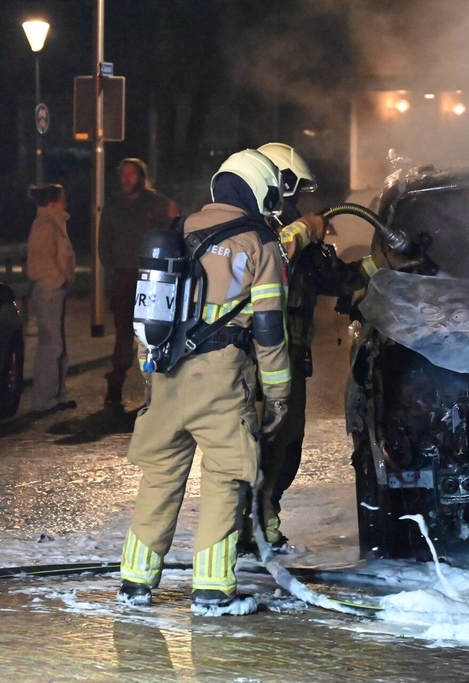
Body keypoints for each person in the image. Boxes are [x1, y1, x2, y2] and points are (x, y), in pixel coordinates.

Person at [117, 149, 291, 616]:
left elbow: (147, 318)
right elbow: (269, 332)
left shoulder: (177, 232)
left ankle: (135, 581)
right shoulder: (259, 243)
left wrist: (150, 377)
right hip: (221, 381)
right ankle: (212, 589)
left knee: (159, 477)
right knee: (224, 478)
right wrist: (278, 395)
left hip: (167, 375)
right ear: (258, 190)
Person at [248, 142, 329, 551]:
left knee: (286, 443)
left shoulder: (291, 228)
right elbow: (278, 250)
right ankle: (248, 524)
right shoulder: (255, 226)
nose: (297, 202)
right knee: (260, 442)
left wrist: (379, 269)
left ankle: (265, 516)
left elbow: (330, 277)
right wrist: (307, 228)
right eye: (294, 190)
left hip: (290, 353)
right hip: (257, 355)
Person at [99, 158, 180, 406]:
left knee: (154, 331)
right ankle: (116, 383)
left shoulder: (156, 203)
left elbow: (175, 225)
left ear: (141, 176)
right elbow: (105, 240)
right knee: (123, 332)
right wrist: (113, 268)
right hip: (124, 275)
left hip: (152, 278)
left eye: (131, 173)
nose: (126, 178)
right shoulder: (113, 205)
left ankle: (158, 387)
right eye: (123, 173)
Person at [26, 184, 77, 415]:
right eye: (63, 197)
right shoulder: (45, 225)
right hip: (49, 291)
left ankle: (56, 395)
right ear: (55, 200)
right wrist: (58, 279)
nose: (66, 201)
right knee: (51, 345)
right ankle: (44, 398)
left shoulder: (54, 222)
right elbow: (41, 262)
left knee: (58, 345)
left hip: (55, 290)